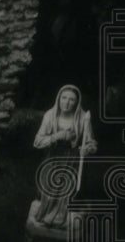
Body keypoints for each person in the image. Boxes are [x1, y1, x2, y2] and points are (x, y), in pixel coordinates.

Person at [32, 84, 97, 228]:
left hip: (70, 159)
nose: (66, 103)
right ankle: (45, 216)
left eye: (71, 100)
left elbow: (92, 143)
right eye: (64, 98)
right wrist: (57, 136)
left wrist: (86, 149)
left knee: (65, 189)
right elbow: (37, 142)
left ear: (77, 102)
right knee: (49, 188)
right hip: (52, 157)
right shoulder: (50, 115)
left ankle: (60, 219)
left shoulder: (82, 117)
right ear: (58, 98)